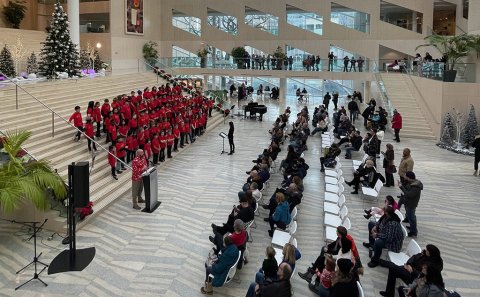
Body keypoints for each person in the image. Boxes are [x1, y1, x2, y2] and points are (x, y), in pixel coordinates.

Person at [379, 244, 443, 297]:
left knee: (393, 268)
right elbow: (414, 257)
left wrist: (412, 270)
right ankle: (389, 293)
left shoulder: (434, 264)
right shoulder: (424, 254)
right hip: (410, 271)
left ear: (431, 253)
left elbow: (421, 274)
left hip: (413, 276)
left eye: (427, 250)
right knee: (393, 270)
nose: (425, 251)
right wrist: (409, 264)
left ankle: (380, 262)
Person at [399, 171, 423, 237]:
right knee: (410, 216)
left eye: (406, 176)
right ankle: (412, 227)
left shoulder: (416, 186)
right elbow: (407, 189)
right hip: (408, 202)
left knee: (412, 217)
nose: (405, 177)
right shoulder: (411, 182)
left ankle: (413, 232)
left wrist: (401, 187)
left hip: (411, 204)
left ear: (409, 178)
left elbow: (409, 194)